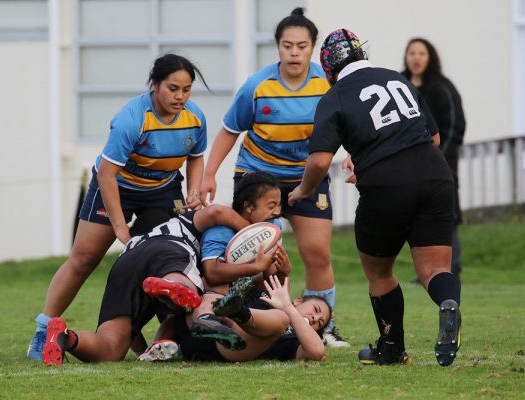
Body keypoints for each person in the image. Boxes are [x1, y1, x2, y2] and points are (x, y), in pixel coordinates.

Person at [288, 28, 462, 367]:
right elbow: (434, 138)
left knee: (380, 273)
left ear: (328, 70)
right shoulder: (396, 79)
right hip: (434, 173)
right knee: (434, 269)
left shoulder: (335, 96)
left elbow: (321, 161)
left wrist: (304, 190)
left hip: (386, 183)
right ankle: (448, 304)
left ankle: (392, 347)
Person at [28, 54, 209, 361]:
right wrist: (120, 228)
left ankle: (166, 337)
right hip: (117, 188)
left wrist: (193, 191)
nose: (180, 97)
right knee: (84, 258)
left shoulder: (195, 117)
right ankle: (43, 332)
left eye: (187, 89)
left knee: (165, 259)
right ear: (155, 85)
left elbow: (196, 156)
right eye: (173, 88)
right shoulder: (131, 119)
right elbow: (107, 175)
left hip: (163, 190)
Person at [199, 7, 348, 348]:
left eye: (302, 46)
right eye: (286, 45)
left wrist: (353, 156)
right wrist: (209, 174)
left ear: (313, 48)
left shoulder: (327, 84)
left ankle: (323, 326)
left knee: (318, 253)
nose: (294, 52)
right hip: (258, 176)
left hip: (306, 178)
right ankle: (252, 314)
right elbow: (228, 131)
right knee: (257, 253)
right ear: (277, 47)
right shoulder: (257, 85)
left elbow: (348, 124)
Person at [41, 204, 252, 365]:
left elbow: (131, 335)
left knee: (111, 348)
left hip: (123, 266)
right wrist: (251, 232)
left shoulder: (132, 243)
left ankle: (65, 337)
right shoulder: (179, 224)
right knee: (190, 295)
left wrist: (147, 351)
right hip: (167, 250)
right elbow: (215, 212)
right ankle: (172, 284)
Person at [140, 276, 328, 362]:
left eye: (320, 323)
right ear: (300, 300)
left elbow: (317, 352)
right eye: (316, 310)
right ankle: (210, 319)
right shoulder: (262, 294)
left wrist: (288, 308)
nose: (315, 318)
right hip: (198, 329)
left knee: (281, 317)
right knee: (212, 298)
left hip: (231, 349)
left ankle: (238, 314)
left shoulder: (296, 340)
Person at [402, 38, 466, 279]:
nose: (416, 58)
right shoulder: (399, 84)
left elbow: (455, 126)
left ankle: (451, 269)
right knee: (417, 220)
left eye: (422, 53)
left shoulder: (443, 88)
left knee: (446, 217)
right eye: (412, 53)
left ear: (430, 57)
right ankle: (425, 273)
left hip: (441, 167)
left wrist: (438, 158)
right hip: (407, 169)